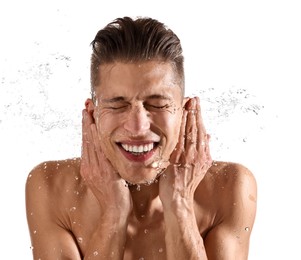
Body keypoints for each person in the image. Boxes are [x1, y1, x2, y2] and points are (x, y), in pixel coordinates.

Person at [25, 16, 257, 260]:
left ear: (185, 112)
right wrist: (114, 213)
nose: (138, 126)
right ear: (93, 115)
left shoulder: (229, 188)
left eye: (157, 104)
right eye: (117, 105)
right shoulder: (52, 188)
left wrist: (180, 203)